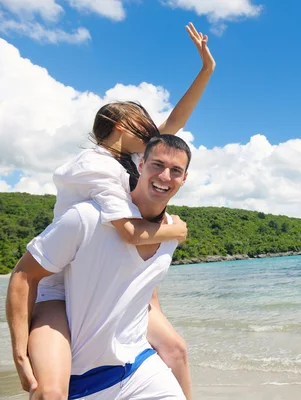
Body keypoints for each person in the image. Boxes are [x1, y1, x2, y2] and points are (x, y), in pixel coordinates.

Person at [13, 22, 214, 399]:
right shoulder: (96, 166)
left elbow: (176, 125)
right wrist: (177, 230)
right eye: (145, 127)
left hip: (114, 274)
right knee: (52, 390)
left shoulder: (129, 160)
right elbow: (127, 232)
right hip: (61, 284)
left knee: (175, 350)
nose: (154, 133)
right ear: (122, 127)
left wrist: (206, 71)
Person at [7, 135, 192, 399]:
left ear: (185, 179)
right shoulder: (87, 218)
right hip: (83, 379)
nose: (165, 176)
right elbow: (24, 275)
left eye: (175, 171)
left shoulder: (171, 232)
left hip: (139, 367)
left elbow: (146, 283)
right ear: (141, 166)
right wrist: (19, 353)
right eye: (157, 165)